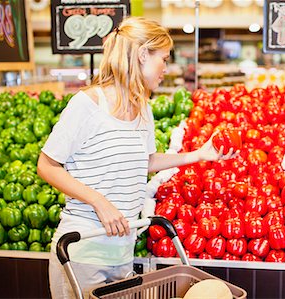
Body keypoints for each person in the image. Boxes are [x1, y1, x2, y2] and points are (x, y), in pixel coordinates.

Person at [37, 16, 237, 298]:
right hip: (81, 252)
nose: (166, 69)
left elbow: (147, 161)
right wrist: (98, 201)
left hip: (121, 253)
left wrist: (200, 155)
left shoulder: (142, 107)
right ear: (143, 54)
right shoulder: (88, 104)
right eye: (164, 59)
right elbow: (47, 166)